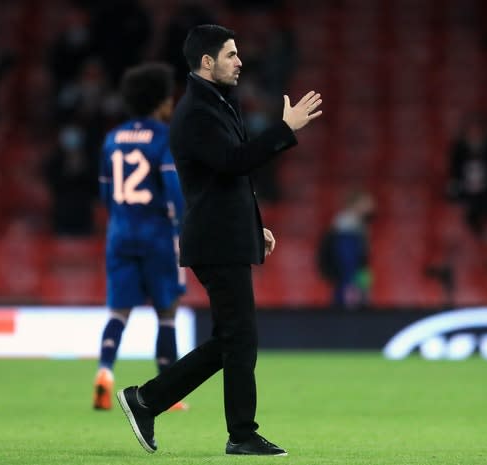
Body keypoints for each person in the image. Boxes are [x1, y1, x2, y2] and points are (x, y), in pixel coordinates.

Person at [116, 24, 322, 456]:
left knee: (230, 339)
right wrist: (285, 129)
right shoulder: (196, 112)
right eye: (231, 54)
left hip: (223, 235)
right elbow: (233, 162)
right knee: (240, 338)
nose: (240, 60)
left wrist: (251, 225)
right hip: (214, 242)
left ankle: (148, 400)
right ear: (207, 62)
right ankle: (240, 433)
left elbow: (227, 178)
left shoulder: (214, 104)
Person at [93, 63, 187, 411]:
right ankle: (170, 392)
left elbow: (104, 193)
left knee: (119, 312)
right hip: (157, 234)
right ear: (161, 102)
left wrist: (120, 217)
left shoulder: (112, 138)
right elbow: (174, 189)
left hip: (119, 233)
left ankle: (104, 372)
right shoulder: (164, 137)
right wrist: (181, 225)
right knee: (167, 311)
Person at [317, 190, 374, 309]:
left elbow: (362, 260)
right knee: (348, 308)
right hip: (349, 280)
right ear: (356, 203)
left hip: (358, 274)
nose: (371, 205)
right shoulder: (347, 226)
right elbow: (347, 260)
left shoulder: (359, 224)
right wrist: (351, 286)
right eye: (366, 201)